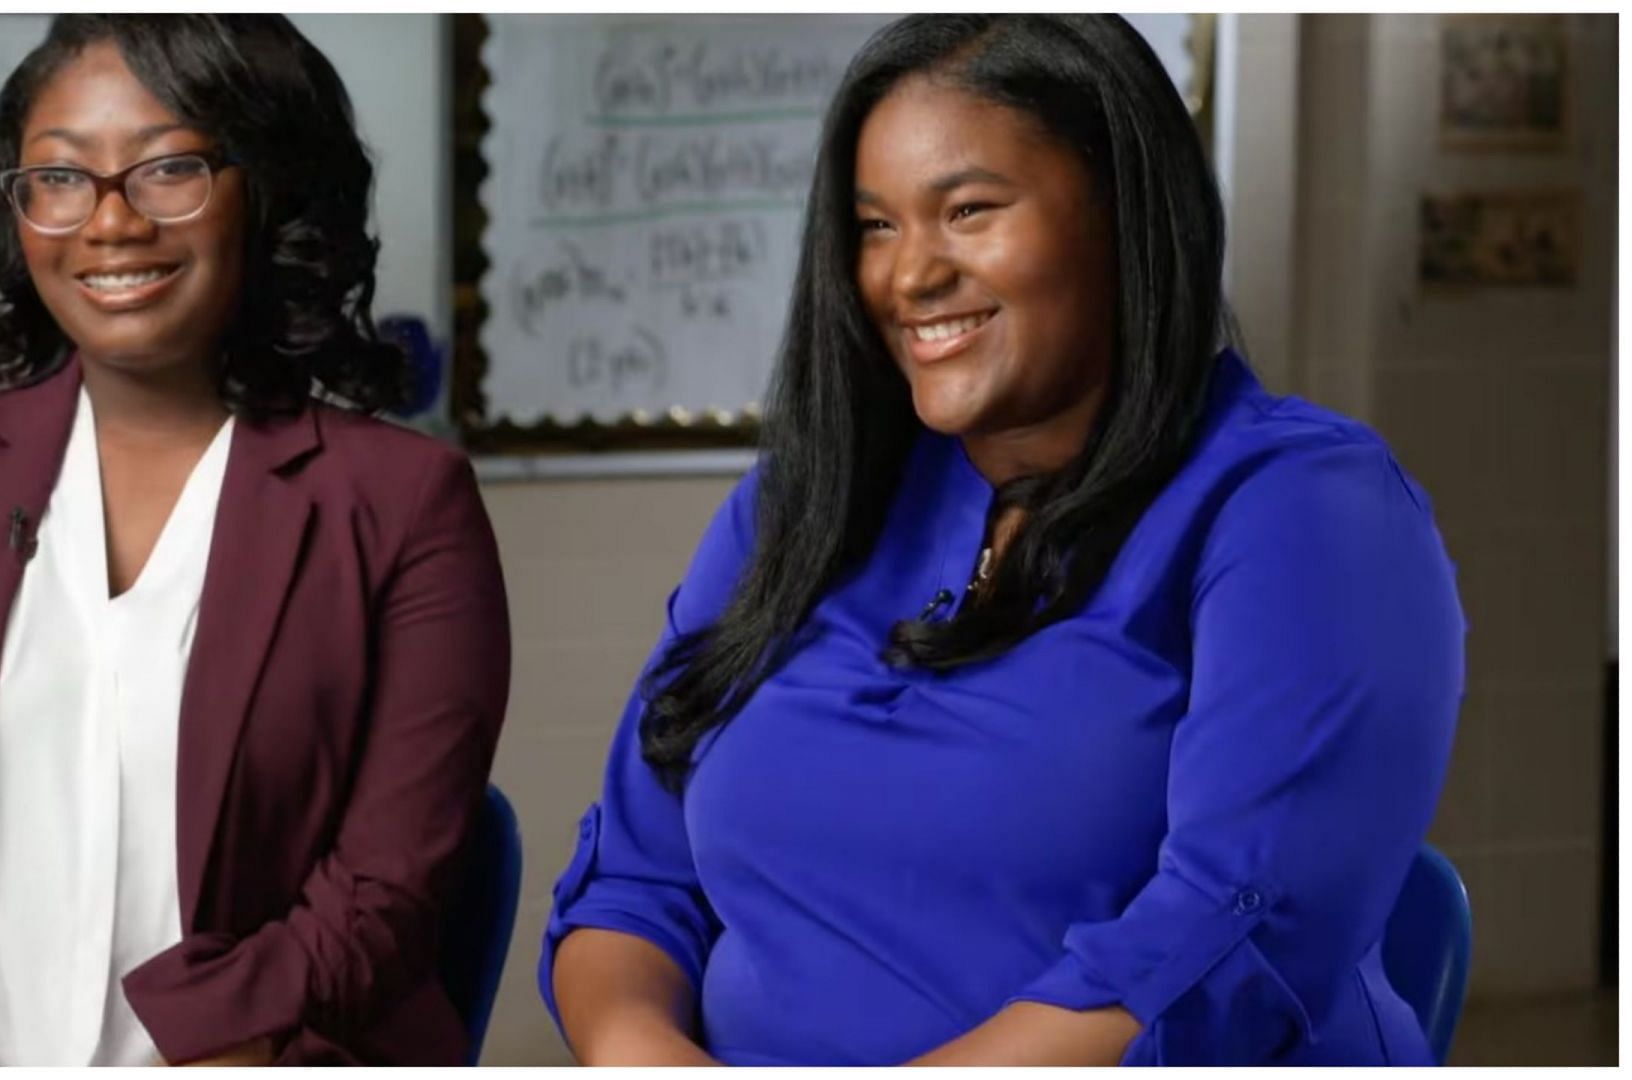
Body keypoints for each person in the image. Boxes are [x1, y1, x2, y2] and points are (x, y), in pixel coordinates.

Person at [540, 13, 1464, 1067]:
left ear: (1124, 214)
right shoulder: (804, 500)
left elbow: (1226, 943)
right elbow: (635, 879)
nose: (908, 275)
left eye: (969, 210)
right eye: (876, 225)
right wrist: (647, 1057)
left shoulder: (1302, 508)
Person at [0, 15, 510, 1067]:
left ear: (265, 189)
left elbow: (378, 906)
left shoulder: (405, 506)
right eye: (60, 179)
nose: (110, 223)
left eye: (169, 170)